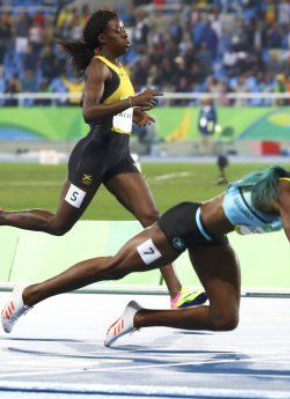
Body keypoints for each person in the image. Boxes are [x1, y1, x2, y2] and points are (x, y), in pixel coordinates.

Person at [2, 149, 290, 346]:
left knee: (224, 318)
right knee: (114, 267)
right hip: (184, 225)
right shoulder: (288, 195)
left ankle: (140, 317)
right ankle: (28, 295)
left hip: (209, 239)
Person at [0, 10, 204, 309]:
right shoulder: (98, 67)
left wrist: (135, 114)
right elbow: (89, 113)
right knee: (59, 224)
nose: (126, 34)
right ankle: (2, 217)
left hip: (118, 157)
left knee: (151, 218)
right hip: (93, 158)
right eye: (119, 30)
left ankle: (177, 293)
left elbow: (113, 105)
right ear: (102, 38)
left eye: (125, 29)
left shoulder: (119, 68)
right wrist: (133, 101)